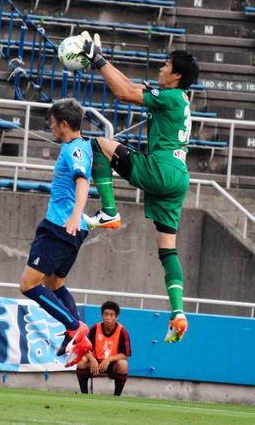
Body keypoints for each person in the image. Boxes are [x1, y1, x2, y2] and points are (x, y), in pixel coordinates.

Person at [77, 32, 199, 343]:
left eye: (167, 64)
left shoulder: (171, 97)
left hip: (161, 169)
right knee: (167, 249)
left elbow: (122, 94)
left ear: (177, 76)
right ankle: (178, 314)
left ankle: (109, 211)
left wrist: (97, 59)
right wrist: (101, 59)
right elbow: (130, 86)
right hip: (178, 177)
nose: (162, 66)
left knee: (98, 146)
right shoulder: (179, 98)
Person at [19, 98, 93, 367]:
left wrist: (75, 214)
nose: (50, 127)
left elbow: (82, 180)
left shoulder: (73, 150)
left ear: (64, 124)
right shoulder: (84, 145)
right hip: (73, 229)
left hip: (60, 227)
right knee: (55, 285)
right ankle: (78, 340)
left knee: (28, 284)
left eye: (52, 123)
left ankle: (75, 327)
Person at [76, 300, 131, 396]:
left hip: (111, 365)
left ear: (116, 317)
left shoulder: (122, 331)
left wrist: (109, 360)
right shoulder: (94, 329)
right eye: (106, 314)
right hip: (95, 364)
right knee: (81, 362)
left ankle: (117, 396)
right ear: (102, 316)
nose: (108, 318)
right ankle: (84, 394)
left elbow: (124, 355)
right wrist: (92, 359)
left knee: (123, 364)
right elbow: (85, 348)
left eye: (111, 315)